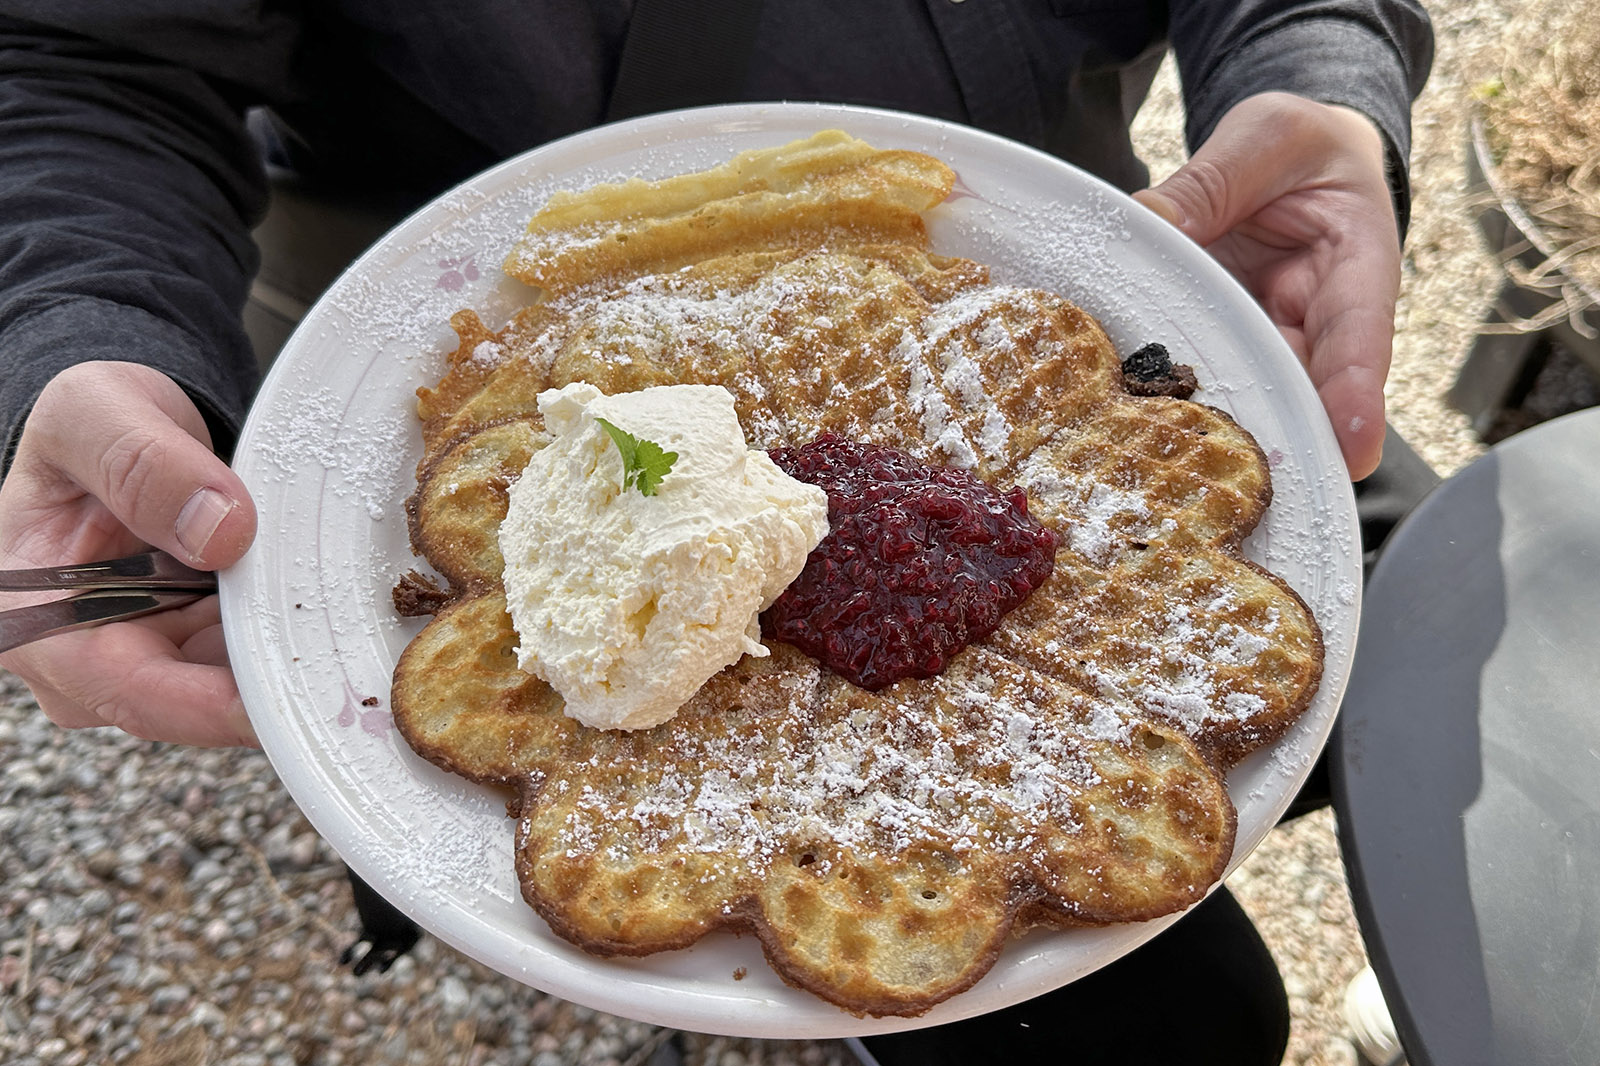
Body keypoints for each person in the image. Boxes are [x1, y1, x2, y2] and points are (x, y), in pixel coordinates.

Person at [0, 3, 1435, 1063]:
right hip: (437, 314)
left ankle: (1452, 977)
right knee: (1178, 1025)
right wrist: (79, 331)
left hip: (1033, 268)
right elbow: (89, 57)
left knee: (1440, 624)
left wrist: (1319, 63)